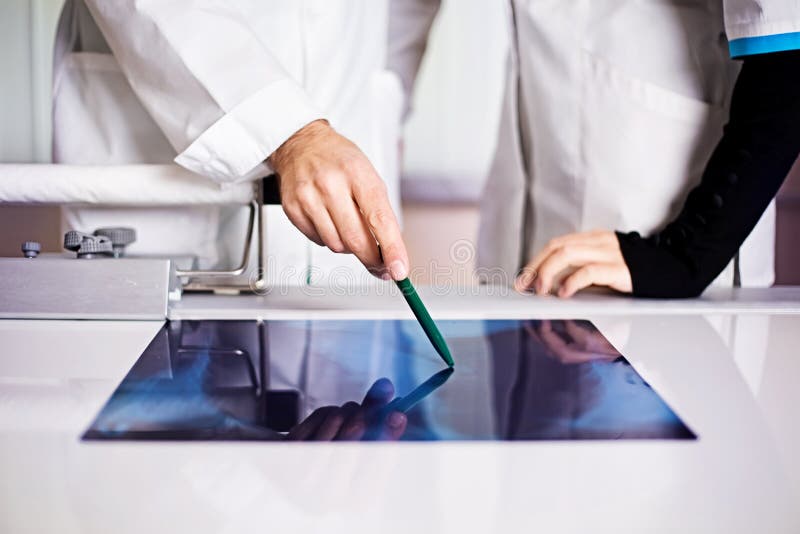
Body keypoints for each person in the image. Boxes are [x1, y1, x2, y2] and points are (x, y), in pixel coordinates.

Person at [390, 1, 800, 298]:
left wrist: (687, 253)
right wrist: (382, 119)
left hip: (665, 228)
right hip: (523, 218)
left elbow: (785, 44)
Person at [53, 0, 411, 284]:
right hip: (157, 158)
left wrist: (390, 97)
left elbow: (409, 13)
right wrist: (292, 134)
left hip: (350, 117)